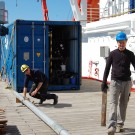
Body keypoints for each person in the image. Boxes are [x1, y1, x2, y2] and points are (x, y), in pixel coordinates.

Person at [101, 31, 135, 135]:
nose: (121, 44)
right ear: (117, 42)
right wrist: (104, 82)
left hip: (127, 82)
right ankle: (112, 126)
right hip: (115, 82)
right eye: (119, 42)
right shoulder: (112, 54)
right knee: (113, 104)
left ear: (126, 42)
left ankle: (120, 124)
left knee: (123, 104)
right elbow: (107, 68)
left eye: (123, 42)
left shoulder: (130, 54)